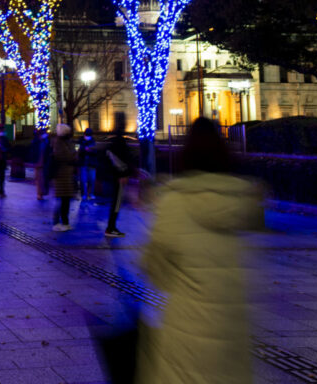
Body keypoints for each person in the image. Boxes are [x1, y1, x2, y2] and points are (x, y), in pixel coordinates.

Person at [140, 117, 263, 384]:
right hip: (231, 331)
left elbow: (155, 272)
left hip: (186, 330)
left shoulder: (174, 203)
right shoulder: (241, 202)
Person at [101, 129, 136, 238]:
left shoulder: (112, 144)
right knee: (116, 203)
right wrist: (124, 174)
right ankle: (111, 228)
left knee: (116, 203)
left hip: (115, 177)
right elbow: (121, 161)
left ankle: (111, 227)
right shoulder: (119, 144)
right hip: (119, 177)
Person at [50, 123, 77, 231]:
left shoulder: (65, 142)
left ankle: (65, 222)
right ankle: (57, 222)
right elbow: (66, 155)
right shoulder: (58, 143)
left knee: (65, 199)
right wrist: (74, 154)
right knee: (61, 200)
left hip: (66, 174)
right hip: (61, 175)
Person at [77, 126, 96, 202]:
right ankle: (84, 194)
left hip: (91, 163)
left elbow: (95, 151)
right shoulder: (81, 140)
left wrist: (91, 150)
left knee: (92, 179)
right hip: (83, 163)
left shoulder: (93, 141)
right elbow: (78, 150)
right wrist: (84, 149)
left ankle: (90, 193)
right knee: (83, 180)